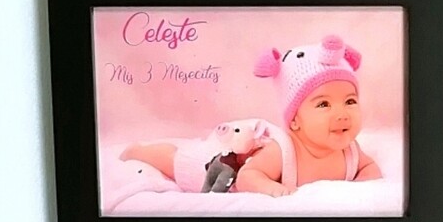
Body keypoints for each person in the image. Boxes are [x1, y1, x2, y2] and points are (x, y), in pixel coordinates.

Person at [120, 34, 381, 195]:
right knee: (175, 160)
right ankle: (139, 151)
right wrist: (272, 188)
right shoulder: (283, 152)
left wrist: (361, 183)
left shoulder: (351, 151)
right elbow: (246, 177)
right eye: (323, 104)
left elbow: (369, 168)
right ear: (294, 121)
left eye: (350, 101)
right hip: (217, 168)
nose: (342, 114)